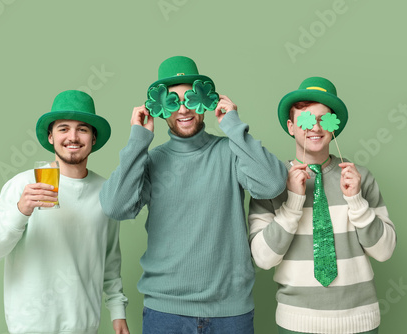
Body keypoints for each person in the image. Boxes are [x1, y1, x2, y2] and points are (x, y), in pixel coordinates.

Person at [99, 56, 288, 333]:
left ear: (207, 103)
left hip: (231, 313)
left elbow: (272, 185)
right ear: (160, 109)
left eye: (191, 98)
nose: (184, 109)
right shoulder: (152, 161)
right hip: (166, 312)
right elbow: (115, 206)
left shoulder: (231, 153)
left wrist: (234, 126)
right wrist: (138, 139)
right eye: (172, 101)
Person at [0, 90, 130, 334]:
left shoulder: (105, 192)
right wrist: (20, 211)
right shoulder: (23, 185)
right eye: (63, 128)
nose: (73, 137)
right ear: (51, 136)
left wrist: (117, 312)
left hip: (86, 328)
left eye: (83, 129)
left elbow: (109, 258)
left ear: (94, 138)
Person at [248, 77, 397, 334]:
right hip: (296, 322)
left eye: (323, 119)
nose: (314, 128)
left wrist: (356, 201)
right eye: (305, 120)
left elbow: (384, 252)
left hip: (360, 320)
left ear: (334, 127)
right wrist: (293, 202)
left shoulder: (359, 178)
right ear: (291, 126)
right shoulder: (271, 183)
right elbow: (263, 259)